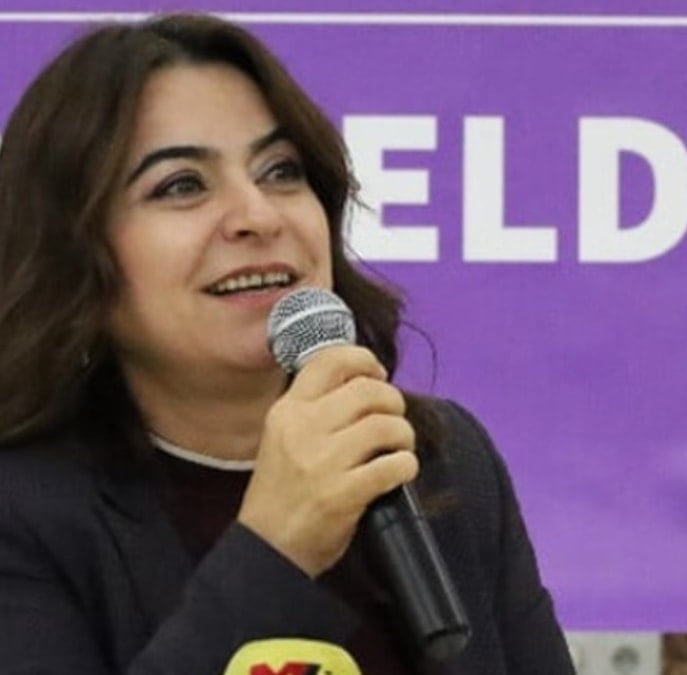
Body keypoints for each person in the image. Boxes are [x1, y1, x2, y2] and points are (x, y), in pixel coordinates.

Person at [0, 14, 573, 674]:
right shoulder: (21, 512)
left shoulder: (438, 458)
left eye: (280, 171)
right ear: (75, 255)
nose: (259, 215)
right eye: (182, 185)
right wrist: (275, 548)